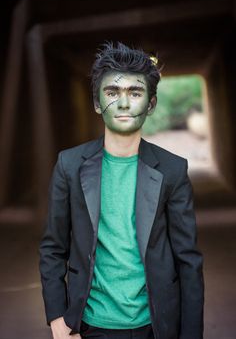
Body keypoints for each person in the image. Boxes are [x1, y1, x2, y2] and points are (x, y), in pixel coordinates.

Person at [39, 42, 204, 339]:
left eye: (136, 93)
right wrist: (57, 319)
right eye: (113, 93)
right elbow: (53, 248)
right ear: (98, 103)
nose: (124, 103)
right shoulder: (69, 165)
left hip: (155, 326)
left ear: (151, 104)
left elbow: (188, 261)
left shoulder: (172, 170)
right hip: (90, 326)